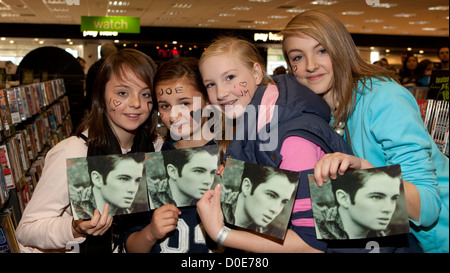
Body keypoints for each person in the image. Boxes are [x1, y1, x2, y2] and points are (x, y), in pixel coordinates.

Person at [281, 10, 448, 253]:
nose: (310, 65)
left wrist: (362, 170)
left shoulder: (384, 98)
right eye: (297, 57)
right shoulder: (320, 113)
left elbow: (428, 206)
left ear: (341, 49)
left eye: (322, 50)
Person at [196, 36, 351, 253]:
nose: (220, 93)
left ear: (257, 73)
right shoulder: (256, 122)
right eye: (210, 84)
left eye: (230, 77)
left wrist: (221, 233)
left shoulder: (292, 139)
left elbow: (312, 244)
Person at [15, 48, 161, 253]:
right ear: (101, 95)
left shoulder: (156, 148)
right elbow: (26, 230)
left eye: (145, 94)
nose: (136, 103)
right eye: (122, 93)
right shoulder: (73, 152)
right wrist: (74, 227)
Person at [124, 57, 221, 253]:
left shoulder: (230, 159)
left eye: (185, 103)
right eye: (165, 106)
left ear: (208, 100)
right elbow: (131, 246)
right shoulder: (149, 166)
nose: (175, 115)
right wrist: (151, 232)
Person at [312, 165, 404, 240]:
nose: (388, 209)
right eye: (376, 197)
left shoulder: (383, 235)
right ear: (343, 198)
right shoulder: (314, 230)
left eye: (393, 198)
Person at [222, 161, 298, 239]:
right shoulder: (215, 214)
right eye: (271, 195)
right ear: (247, 187)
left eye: (284, 202)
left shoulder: (264, 238)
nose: (275, 210)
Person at [71, 153, 146, 220]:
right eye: (123, 179)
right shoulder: (75, 208)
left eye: (137, 180)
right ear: (97, 179)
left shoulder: (127, 212)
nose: (133, 189)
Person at [85, 42, 118, 112]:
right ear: (111, 54)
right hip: (107, 105)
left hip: (93, 104)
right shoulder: (112, 68)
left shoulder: (93, 67)